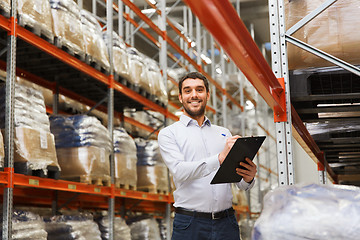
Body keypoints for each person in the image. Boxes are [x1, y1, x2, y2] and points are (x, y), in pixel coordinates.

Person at [158, 72, 257, 240]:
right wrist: (219, 158)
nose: (194, 95)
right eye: (188, 91)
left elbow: (238, 182)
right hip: (190, 224)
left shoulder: (223, 134)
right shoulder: (169, 134)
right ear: (181, 97)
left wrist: (247, 178)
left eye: (199, 90)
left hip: (226, 222)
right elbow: (179, 171)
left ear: (207, 95)